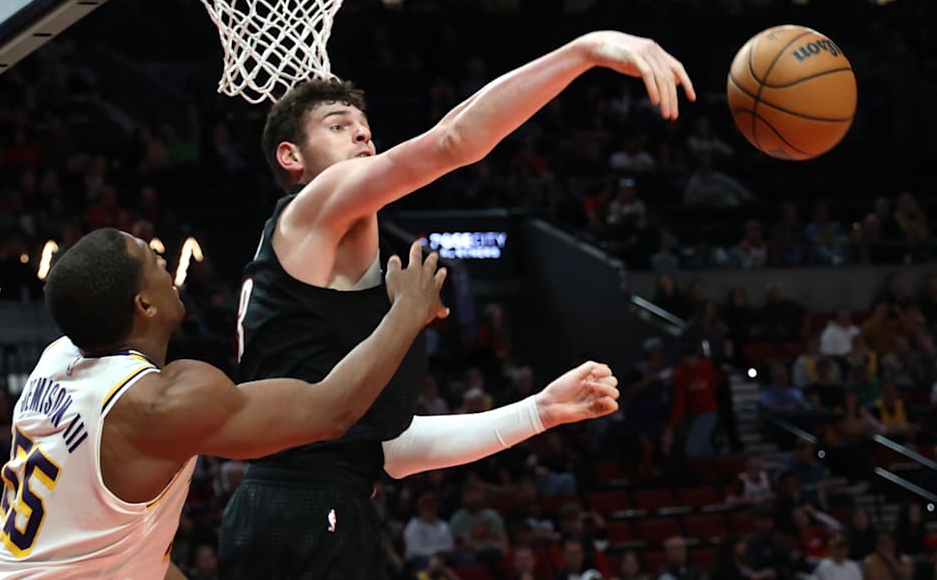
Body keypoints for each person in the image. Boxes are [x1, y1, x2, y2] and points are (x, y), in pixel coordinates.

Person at [221, 29, 691, 578]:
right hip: (304, 512)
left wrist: (538, 411)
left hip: (302, 508)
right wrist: (583, 52)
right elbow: (453, 140)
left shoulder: (327, 268)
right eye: (339, 126)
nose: (363, 135)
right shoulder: (313, 203)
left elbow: (394, 451)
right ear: (291, 156)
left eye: (365, 127)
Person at [0, 228, 448, 578]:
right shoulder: (157, 404)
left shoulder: (57, 359)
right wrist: (408, 310)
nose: (165, 263)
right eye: (153, 260)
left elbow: (113, 548)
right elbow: (331, 410)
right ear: (144, 306)